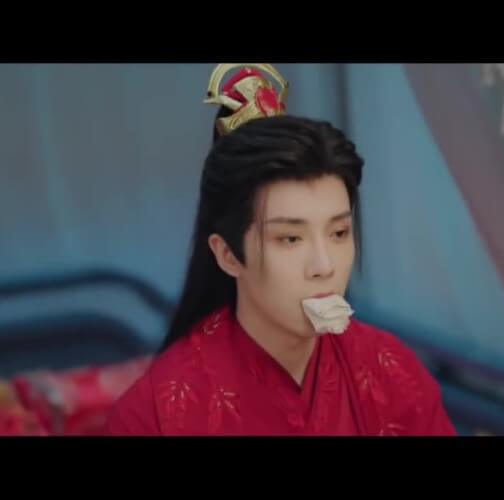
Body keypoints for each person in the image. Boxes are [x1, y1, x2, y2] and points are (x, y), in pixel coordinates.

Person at [105, 64, 457, 436]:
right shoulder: (154, 415)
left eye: (338, 233)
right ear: (227, 254)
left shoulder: (392, 371)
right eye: (290, 239)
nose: (324, 266)